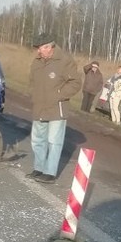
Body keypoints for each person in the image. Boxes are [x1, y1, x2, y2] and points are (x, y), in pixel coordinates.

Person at [28, 32, 81, 183]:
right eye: (38, 48)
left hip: (57, 108)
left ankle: (50, 173)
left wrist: (59, 95)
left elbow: (75, 83)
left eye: (41, 48)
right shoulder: (37, 62)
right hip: (39, 107)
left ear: (49, 46)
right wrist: (33, 94)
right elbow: (31, 81)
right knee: (37, 140)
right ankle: (38, 169)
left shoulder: (64, 60)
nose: (39, 51)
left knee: (53, 141)